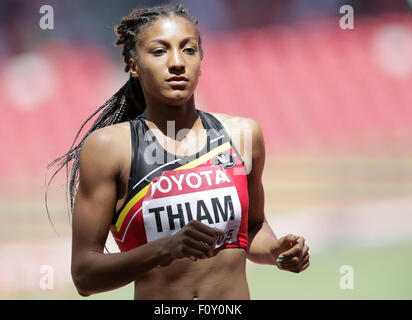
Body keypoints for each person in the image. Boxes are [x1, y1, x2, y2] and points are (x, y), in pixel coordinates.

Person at [46, 4, 310, 300]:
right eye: (159, 51)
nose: (177, 62)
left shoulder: (244, 135)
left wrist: (275, 250)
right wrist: (165, 249)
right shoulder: (109, 148)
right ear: (134, 65)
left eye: (189, 49)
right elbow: (84, 275)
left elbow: (252, 228)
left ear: (201, 60)